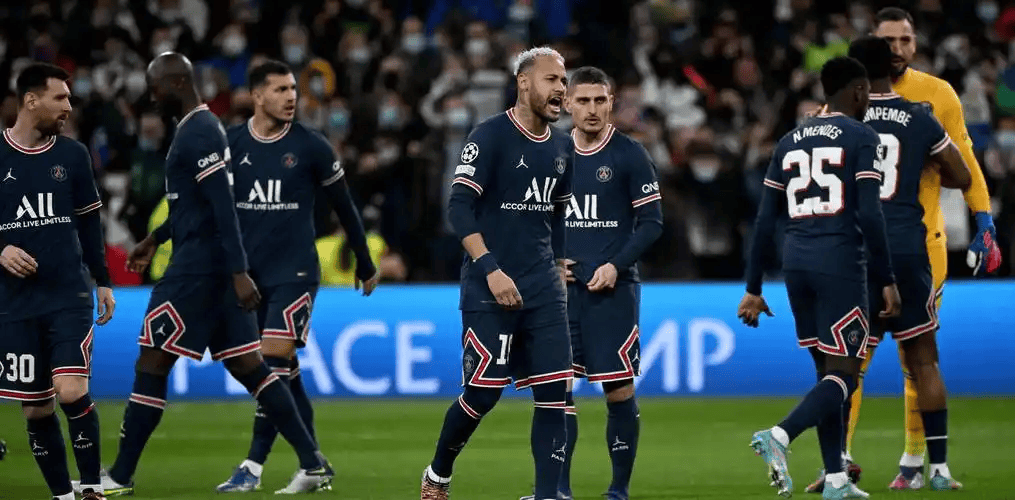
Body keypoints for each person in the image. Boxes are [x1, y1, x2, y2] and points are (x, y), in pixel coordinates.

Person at [81, 53, 332, 497]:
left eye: (156, 87)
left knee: (152, 362)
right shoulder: (201, 129)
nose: (152, 96)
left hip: (196, 271)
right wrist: (156, 238)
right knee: (251, 368)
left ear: (176, 83)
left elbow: (222, 206)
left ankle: (119, 476)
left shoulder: (198, 131)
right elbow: (194, 207)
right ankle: (313, 462)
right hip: (211, 269)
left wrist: (239, 271)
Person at [839, 8, 1001, 490]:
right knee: (899, 359)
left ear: (915, 43)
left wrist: (983, 218)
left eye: (905, 40)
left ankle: (911, 461)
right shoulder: (911, 109)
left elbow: (968, 156)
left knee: (878, 360)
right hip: (898, 246)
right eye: (889, 41)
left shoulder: (935, 93)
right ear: (876, 44)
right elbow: (961, 167)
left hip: (917, 243)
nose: (898, 49)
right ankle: (846, 460)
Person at [804, 36, 972, 494]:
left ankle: (836, 467)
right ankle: (938, 469)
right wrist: (923, 163)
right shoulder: (919, 116)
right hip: (908, 248)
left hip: (854, 252)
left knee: (845, 365)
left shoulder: (835, 121)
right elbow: (962, 176)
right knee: (924, 360)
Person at [739, 56, 901, 500]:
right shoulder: (862, 136)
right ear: (858, 91)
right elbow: (870, 213)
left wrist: (753, 288)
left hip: (796, 264)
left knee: (826, 374)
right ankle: (780, 435)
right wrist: (886, 278)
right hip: (840, 263)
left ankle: (835, 479)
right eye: (866, 93)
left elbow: (764, 220)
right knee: (846, 375)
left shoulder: (789, 140)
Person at [215, 59, 379, 494]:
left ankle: (252, 466)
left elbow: (344, 205)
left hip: (297, 272)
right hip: (250, 277)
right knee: (284, 374)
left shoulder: (311, 145)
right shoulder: (231, 144)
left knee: (270, 360)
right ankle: (314, 463)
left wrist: (364, 260)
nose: (291, 97)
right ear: (257, 96)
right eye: (281, 89)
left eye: (293, 89)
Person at [419, 46, 573, 500]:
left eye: (564, 81)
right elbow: (458, 208)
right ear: (524, 82)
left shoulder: (563, 146)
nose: (561, 89)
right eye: (551, 80)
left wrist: (559, 266)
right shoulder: (487, 137)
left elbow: (559, 214)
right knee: (483, 394)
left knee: (555, 393)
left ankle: (547, 495)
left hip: (543, 287)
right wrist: (490, 268)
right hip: (490, 287)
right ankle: (438, 474)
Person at [0, 62, 115, 500]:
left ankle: (91, 489)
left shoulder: (73, 155)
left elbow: (89, 223)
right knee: (36, 408)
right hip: (15, 302)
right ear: (31, 100)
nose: (69, 106)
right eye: (60, 97)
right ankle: (62, 495)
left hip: (68, 294)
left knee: (70, 389)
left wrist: (103, 280)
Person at [553, 66, 663, 500]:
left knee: (618, 389)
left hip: (613, 291)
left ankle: (618, 490)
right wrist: (548, 262)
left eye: (600, 100)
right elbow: (531, 218)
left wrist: (616, 265)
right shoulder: (552, 153)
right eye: (583, 101)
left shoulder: (630, 154)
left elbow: (652, 223)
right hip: (561, 294)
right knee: (557, 389)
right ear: (567, 104)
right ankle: (558, 490)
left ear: (611, 102)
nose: (592, 109)